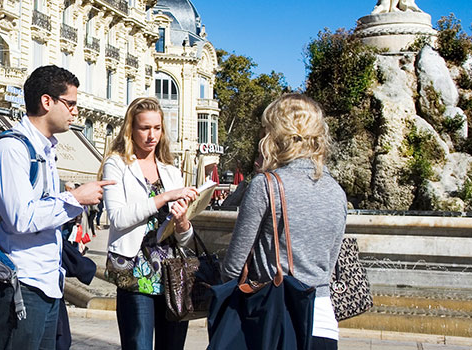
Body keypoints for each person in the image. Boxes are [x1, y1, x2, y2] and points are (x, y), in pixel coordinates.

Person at [0, 65, 112, 350]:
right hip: (18, 281)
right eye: (71, 104)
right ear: (47, 101)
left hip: (45, 281)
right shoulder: (11, 149)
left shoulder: (45, 150)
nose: (75, 112)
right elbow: (20, 218)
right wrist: (75, 199)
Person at [220, 94, 346, 350]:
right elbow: (329, 264)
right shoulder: (336, 191)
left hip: (274, 320)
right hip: (323, 321)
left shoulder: (266, 186)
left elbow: (233, 267)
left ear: (275, 134)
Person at [101, 97, 200, 350]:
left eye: (157, 128)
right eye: (144, 128)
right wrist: (164, 197)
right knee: (138, 345)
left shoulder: (171, 170)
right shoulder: (117, 164)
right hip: (135, 271)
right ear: (131, 129)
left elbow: (184, 239)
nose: (151, 135)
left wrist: (182, 223)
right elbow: (118, 218)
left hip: (172, 273)